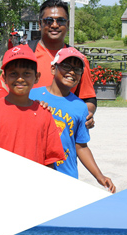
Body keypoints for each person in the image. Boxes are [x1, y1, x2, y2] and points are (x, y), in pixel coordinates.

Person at [29, 47, 116, 193]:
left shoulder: (80, 107)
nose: (71, 72)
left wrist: (99, 175)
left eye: (77, 69)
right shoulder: (32, 95)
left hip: (66, 177)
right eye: (66, 66)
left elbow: (81, 146)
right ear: (53, 68)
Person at [0, 45, 65, 167]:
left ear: (36, 77)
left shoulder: (44, 114)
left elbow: (50, 161)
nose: (20, 79)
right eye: (14, 73)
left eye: (26, 73)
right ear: (4, 77)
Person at [28, 0, 96, 128]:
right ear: (40, 24)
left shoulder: (78, 60)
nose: (54, 25)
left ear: (68, 24)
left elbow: (88, 98)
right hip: (27, 129)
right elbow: (5, 94)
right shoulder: (25, 55)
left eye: (61, 21)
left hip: (63, 134)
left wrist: (87, 115)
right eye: (49, 20)